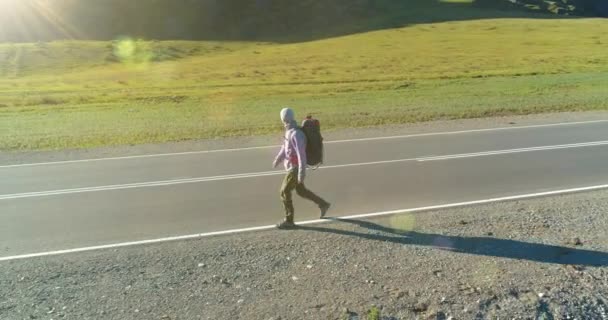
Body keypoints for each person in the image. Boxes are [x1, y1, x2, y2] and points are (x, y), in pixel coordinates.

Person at [273, 107, 330, 229]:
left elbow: (301, 155)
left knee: (284, 191)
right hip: (291, 167)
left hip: (295, 168)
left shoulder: (297, 134)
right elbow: (285, 148)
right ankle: (323, 204)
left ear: (284, 118)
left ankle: (289, 220)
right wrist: (278, 158)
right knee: (301, 191)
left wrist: (301, 173)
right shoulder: (289, 131)